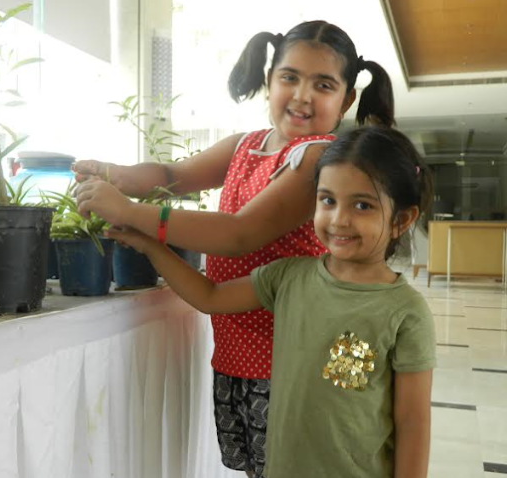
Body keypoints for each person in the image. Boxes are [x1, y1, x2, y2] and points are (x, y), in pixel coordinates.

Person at [74, 21, 395, 478]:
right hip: (238, 353)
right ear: (269, 80)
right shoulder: (245, 145)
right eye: (290, 77)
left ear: (345, 101)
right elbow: (171, 175)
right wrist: (115, 174)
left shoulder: (320, 157)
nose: (302, 95)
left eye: (323, 85)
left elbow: (239, 234)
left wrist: (129, 210)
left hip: (296, 361)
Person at [106, 126, 436, 478]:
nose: (339, 219)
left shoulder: (406, 313)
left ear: (401, 220)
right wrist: (153, 248)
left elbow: (412, 422)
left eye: (362, 205)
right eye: (327, 200)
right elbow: (209, 296)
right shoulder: (288, 277)